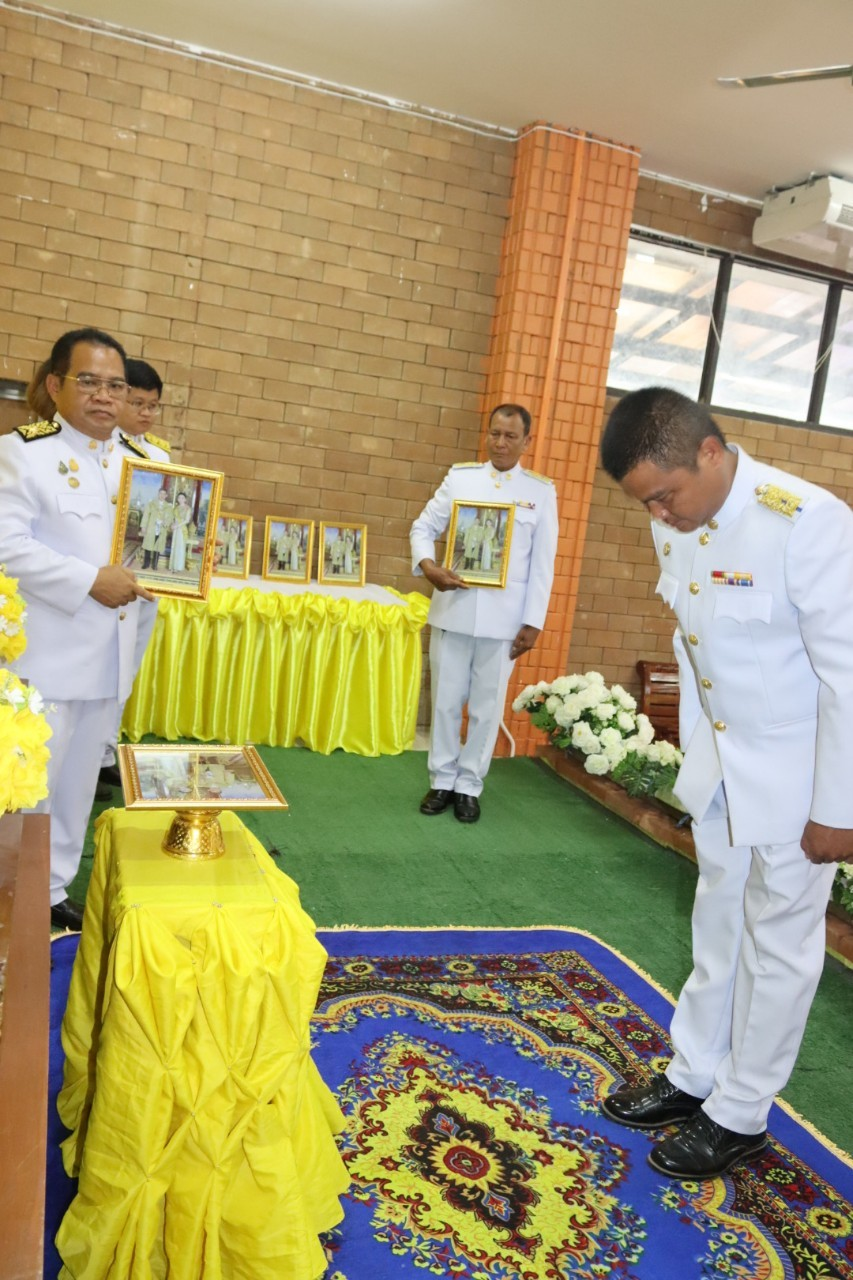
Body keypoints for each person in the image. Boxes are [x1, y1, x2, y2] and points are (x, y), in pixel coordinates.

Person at [598, 385, 853, 1179]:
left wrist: (837, 810)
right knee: (716, 926)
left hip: (795, 785)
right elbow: (696, 646)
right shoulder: (675, 519)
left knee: (778, 949)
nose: (662, 518)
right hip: (721, 775)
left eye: (666, 497)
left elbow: (848, 678)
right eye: (648, 505)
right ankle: (692, 1074)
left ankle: (740, 1111)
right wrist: (698, 771)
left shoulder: (805, 524)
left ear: (709, 452)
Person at [0, 327, 155, 931]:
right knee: (33, 781)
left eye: (114, 384)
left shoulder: (146, 463)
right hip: (46, 655)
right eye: (87, 381)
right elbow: (8, 547)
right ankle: (14, 887)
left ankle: (53, 886)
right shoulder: (23, 452)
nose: (103, 395)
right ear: (55, 385)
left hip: (111, 654)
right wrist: (87, 579)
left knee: (78, 781)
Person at [410, 403, 559, 824]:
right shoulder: (461, 479)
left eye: (510, 436)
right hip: (453, 609)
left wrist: (534, 621)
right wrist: (428, 566)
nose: (500, 442)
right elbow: (423, 528)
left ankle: (469, 785)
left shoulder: (540, 492)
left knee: (486, 707)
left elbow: (542, 565)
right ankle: (441, 780)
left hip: (504, 621)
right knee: (444, 702)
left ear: (527, 441)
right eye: (495, 433)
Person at [98, 358, 169, 794]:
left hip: (146, 576)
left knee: (128, 665)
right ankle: (94, 749)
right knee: (101, 663)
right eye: (138, 403)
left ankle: (107, 749)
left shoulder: (157, 455)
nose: (145, 413)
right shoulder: (100, 449)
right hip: (103, 579)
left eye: (153, 406)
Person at [139, 487, 172, 569]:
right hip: (151, 528)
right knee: (148, 545)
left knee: (157, 546)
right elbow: (146, 515)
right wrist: (143, 526)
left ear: (166, 496)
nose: (162, 495)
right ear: (158, 494)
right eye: (160, 493)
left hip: (161, 529)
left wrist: (166, 522)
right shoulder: (151, 503)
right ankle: (146, 563)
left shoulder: (168, 506)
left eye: (164, 494)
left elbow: (170, 518)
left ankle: (155, 565)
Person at [168, 491, 192, 572]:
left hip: (182, 529)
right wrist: (172, 524)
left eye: (182, 498)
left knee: (180, 547)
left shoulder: (188, 508)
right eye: (179, 498)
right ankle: (173, 565)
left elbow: (187, 520)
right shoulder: (176, 508)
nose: (180, 499)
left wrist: (177, 526)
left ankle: (178, 567)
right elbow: (173, 518)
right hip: (175, 528)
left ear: (185, 499)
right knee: (174, 546)